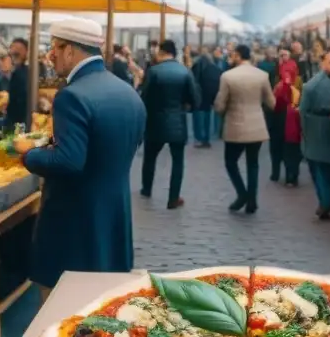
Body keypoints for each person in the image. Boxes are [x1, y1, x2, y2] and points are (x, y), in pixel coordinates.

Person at [17, 19, 145, 294]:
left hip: (74, 223)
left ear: (71, 51)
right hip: (114, 217)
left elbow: (68, 161)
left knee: (57, 315)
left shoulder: (71, 96)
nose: (51, 55)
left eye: (54, 48)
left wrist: (29, 154)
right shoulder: (128, 92)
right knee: (103, 306)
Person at [214, 44, 275, 213]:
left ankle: (242, 193)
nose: (231, 57)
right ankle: (252, 200)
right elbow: (271, 102)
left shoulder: (227, 76)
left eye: (233, 55)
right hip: (257, 125)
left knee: (230, 162)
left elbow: (220, 104)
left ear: (239, 56)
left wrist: (221, 110)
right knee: (253, 164)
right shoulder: (262, 75)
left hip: (235, 126)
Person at [139, 40, 198, 210]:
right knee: (177, 161)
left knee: (150, 157)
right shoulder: (185, 72)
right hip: (178, 121)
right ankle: (173, 198)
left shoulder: (154, 71)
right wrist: (184, 106)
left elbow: (145, 96)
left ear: (162, 52)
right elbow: (194, 99)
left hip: (155, 121)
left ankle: (147, 188)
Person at [300, 50, 330, 220]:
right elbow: (303, 111)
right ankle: (326, 201)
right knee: (321, 168)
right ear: (323, 63)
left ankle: (326, 200)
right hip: (320, 127)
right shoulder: (313, 85)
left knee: (323, 168)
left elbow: (303, 111)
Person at [191, 48, 221, 148]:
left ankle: (199, 138)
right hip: (209, 97)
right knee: (207, 118)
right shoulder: (215, 68)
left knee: (198, 118)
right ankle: (206, 139)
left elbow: (193, 81)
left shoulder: (197, 65)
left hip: (199, 97)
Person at [4, 37, 32, 131]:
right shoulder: (12, 70)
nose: (15, 52)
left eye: (19, 49)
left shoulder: (25, 72)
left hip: (18, 120)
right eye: (13, 48)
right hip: (11, 119)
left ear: (26, 52)